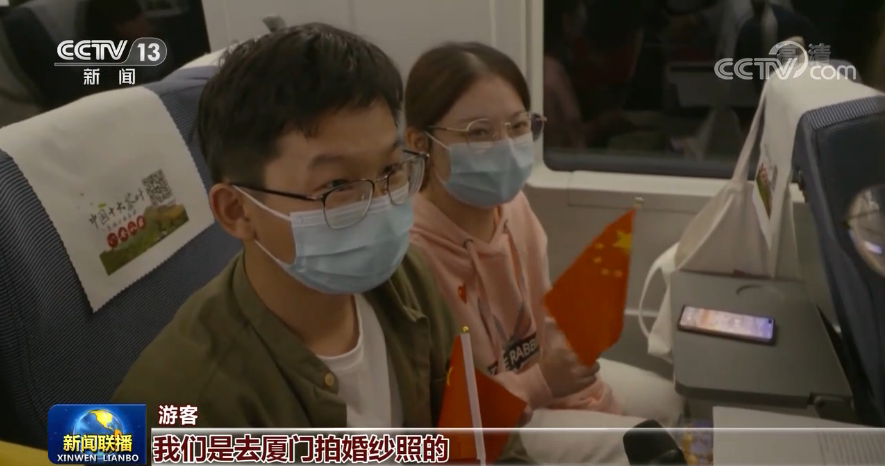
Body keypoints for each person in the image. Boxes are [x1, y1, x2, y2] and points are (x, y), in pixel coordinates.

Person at [111, 24, 533, 463]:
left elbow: (490, 438)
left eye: (391, 171)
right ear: (237, 212)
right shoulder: (188, 404)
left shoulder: (407, 279)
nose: (379, 205)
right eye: (336, 185)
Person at [405, 41, 684, 464]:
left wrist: (586, 394)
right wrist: (543, 383)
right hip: (486, 426)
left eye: (518, 126)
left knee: (669, 401)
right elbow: (445, 418)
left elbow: (544, 319)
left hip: (535, 378)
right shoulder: (412, 256)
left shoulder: (512, 207)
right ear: (420, 143)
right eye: (478, 132)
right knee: (643, 442)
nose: (504, 144)